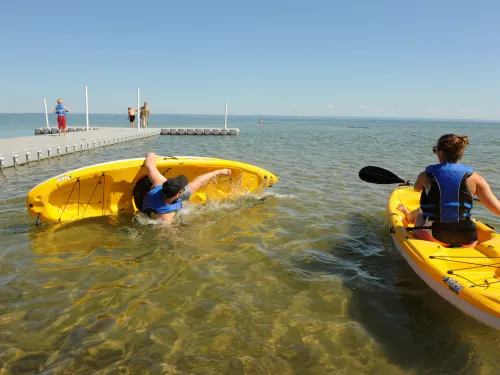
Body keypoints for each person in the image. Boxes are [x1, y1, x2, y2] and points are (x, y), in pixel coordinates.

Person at [397, 134, 500, 247]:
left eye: (435, 150)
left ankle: (407, 215)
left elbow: (416, 189)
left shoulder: (426, 175)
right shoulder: (476, 178)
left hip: (434, 237)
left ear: (441, 152)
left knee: (421, 212)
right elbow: (497, 209)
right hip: (468, 240)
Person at [139, 152, 231, 224]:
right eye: (182, 188)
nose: (184, 188)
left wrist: (218, 172)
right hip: (159, 212)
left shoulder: (159, 182)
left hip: (160, 200)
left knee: (193, 187)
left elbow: (149, 165)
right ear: (177, 195)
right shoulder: (166, 217)